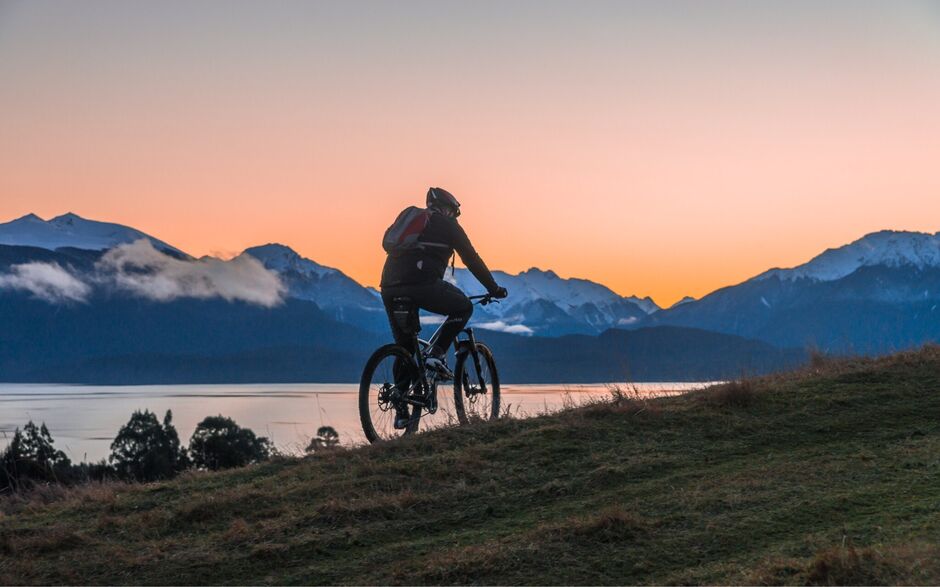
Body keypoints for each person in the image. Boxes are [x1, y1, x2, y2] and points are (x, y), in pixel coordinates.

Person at [380, 187, 507, 394]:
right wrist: (493, 288)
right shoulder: (449, 225)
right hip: (422, 284)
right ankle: (436, 355)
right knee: (463, 308)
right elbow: (471, 258)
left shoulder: (412, 223)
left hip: (389, 287)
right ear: (448, 209)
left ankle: (401, 408)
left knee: (405, 348)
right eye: (454, 213)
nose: (454, 217)